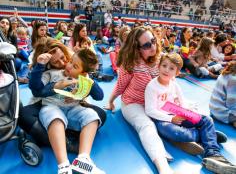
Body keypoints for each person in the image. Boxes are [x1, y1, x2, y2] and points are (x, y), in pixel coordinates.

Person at [144, 53, 236, 174]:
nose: (166, 70)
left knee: (207, 120)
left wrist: (188, 113)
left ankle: (213, 154)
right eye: (164, 66)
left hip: (178, 114)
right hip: (164, 120)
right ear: (159, 67)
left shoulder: (174, 85)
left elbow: (183, 103)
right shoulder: (152, 86)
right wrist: (170, 119)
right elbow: (150, 110)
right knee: (177, 133)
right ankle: (207, 135)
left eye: (171, 68)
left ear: (176, 73)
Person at [18, 38, 106, 154]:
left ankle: (55, 135)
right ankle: (67, 142)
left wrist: (82, 92)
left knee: (100, 115)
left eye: (63, 58)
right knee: (24, 116)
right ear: (48, 65)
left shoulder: (75, 64)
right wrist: (56, 85)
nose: (63, 63)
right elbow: (37, 91)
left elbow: (97, 94)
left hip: (72, 108)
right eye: (56, 62)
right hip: (47, 105)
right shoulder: (47, 73)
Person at [105, 26, 174, 174]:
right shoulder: (130, 64)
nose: (153, 46)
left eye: (153, 41)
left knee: (179, 113)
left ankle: (197, 135)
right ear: (136, 48)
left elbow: (169, 83)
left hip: (155, 102)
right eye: (147, 45)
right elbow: (120, 85)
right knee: (147, 126)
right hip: (133, 103)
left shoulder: (161, 58)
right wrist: (111, 101)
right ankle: (163, 167)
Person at [33, 46, 105, 174]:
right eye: (71, 61)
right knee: (55, 119)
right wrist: (39, 66)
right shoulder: (51, 73)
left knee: (92, 116)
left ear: (82, 73)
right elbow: (36, 87)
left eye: (75, 66)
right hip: (51, 107)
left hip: (73, 109)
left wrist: (90, 81)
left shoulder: (83, 80)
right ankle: (63, 166)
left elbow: (99, 96)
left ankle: (83, 158)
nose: (69, 66)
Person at [209, 61, 236, 128]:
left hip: (213, 109)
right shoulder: (233, 79)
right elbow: (231, 104)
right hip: (222, 113)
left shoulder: (226, 73)